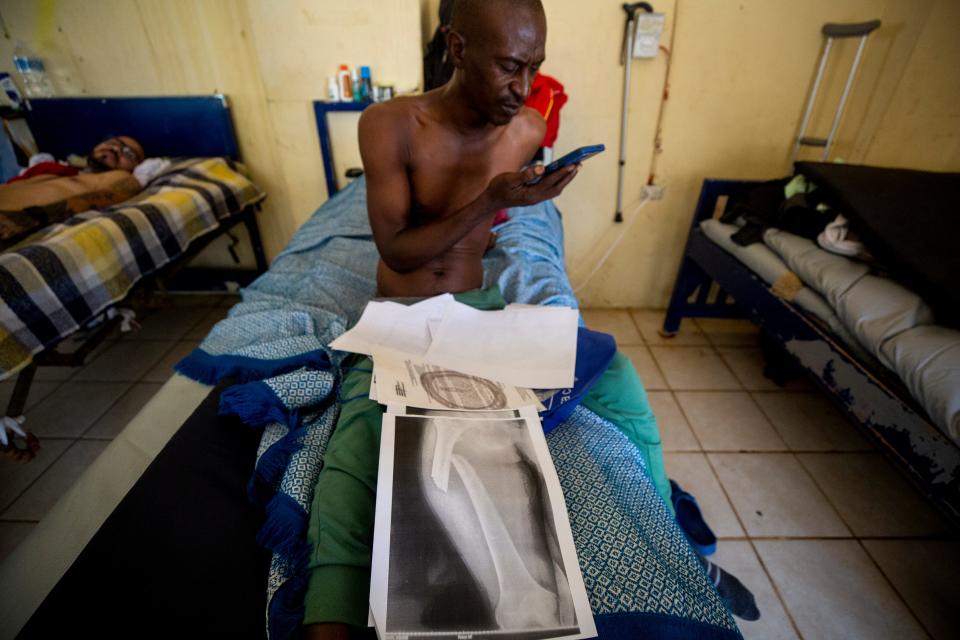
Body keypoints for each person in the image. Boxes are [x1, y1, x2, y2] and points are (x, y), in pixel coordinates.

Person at [302, 2, 671, 637]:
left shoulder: (526, 129)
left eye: (534, 68)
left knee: (621, 381)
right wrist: (493, 199)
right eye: (509, 66)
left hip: (478, 312)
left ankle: (669, 540)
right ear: (457, 45)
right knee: (364, 435)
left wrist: (529, 193)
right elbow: (397, 248)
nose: (523, 88)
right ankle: (327, 617)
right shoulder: (390, 124)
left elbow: (507, 197)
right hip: (403, 315)